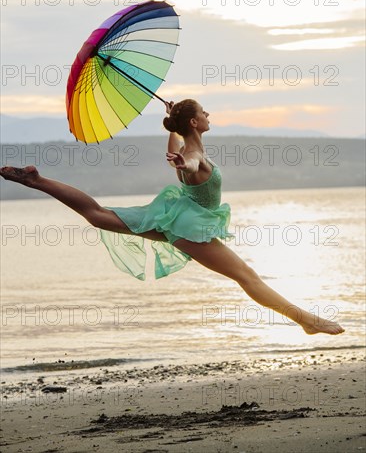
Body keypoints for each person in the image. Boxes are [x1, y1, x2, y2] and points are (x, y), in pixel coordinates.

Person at [0, 98, 345, 336]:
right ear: (195, 122)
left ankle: (37, 180)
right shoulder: (193, 153)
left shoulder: (186, 146)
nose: (210, 115)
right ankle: (305, 319)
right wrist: (186, 163)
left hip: (174, 215)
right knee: (248, 277)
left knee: (100, 215)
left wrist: (176, 137)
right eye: (204, 112)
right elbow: (191, 161)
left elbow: (179, 153)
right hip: (189, 226)